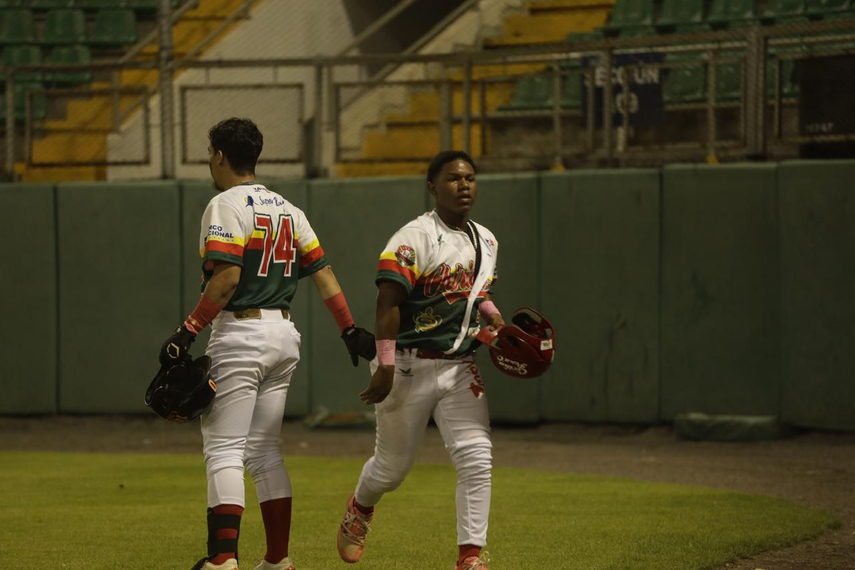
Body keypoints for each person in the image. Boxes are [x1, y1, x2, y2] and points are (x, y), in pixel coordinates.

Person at [159, 117, 375, 570]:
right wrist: (349, 328)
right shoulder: (289, 209)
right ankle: (277, 561)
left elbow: (228, 276)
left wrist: (188, 330)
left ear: (219, 155)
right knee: (263, 451)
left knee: (224, 450)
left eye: (209, 153)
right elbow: (325, 275)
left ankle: (221, 561)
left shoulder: (225, 205)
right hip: (283, 336)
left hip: (241, 333)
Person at [335, 150, 504, 570]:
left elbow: (475, 295)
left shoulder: (486, 239)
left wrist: (494, 317)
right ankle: (361, 505)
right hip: (406, 364)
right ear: (433, 188)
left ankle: (470, 558)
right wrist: (386, 366)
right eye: (452, 179)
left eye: (469, 178)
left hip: (459, 365)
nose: (463, 185)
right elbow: (387, 301)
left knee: (476, 456)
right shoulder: (414, 237)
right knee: (392, 470)